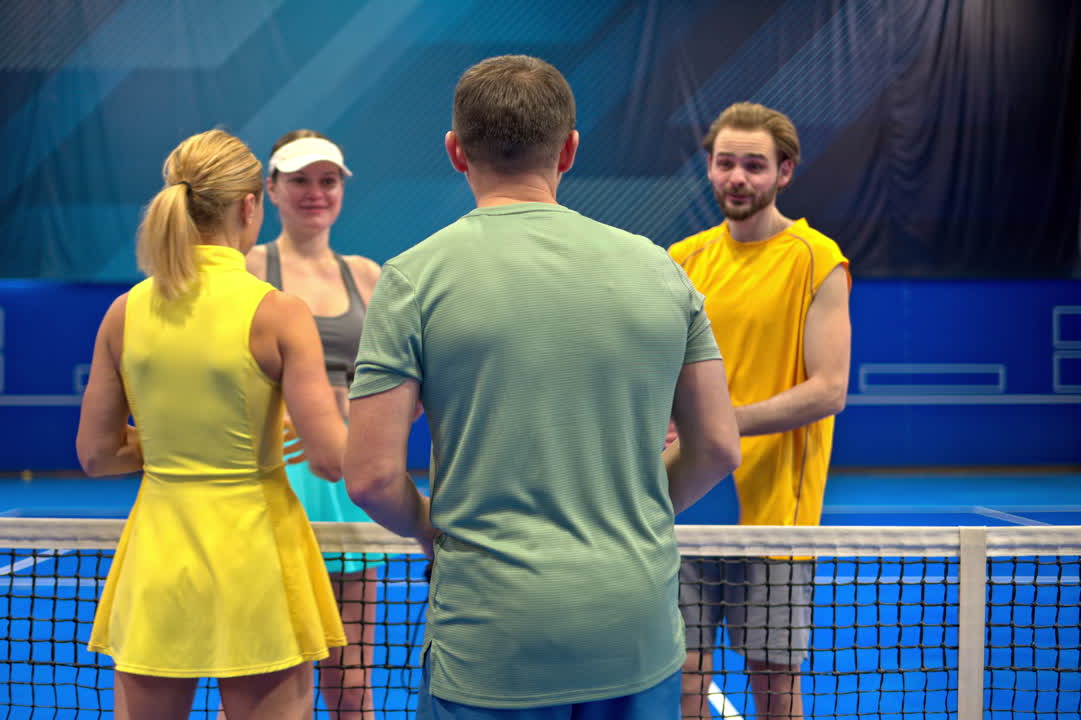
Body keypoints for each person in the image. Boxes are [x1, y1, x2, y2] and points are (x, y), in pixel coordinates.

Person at [342, 55, 741, 719]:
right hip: (636, 631)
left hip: (490, 643)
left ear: (455, 152)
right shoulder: (662, 271)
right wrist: (631, 510)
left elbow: (371, 478)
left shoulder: (413, 279)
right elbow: (719, 448)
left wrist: (430, 532)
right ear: (570, 149)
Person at [77, 128, 348, 720]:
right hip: (258, 558)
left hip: (158, 555)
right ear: (251, 205)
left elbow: (96, 455)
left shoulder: (124, 311)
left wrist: (172, 446)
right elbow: (331, 457)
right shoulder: (279, 313)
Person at [667, 102, 852, 720]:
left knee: (774, 685)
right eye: (725, 163)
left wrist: (718, 423)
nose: (737, 178)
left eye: (753, 165)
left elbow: (828, 390)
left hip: (775, 520)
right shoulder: (682, 261)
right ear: (710, 168)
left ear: (785, 172)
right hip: (684, 504)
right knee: (684, 677)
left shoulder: (816, 259)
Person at [240, 130, 383, 720]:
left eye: (327, 181)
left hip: (347, 493)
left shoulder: (367, 276)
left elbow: (403, 386)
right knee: (265, 687)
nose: (314, 193)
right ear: (270, 190)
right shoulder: (248, 268)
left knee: (350, 687)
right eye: (298, 180)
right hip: (269, 491)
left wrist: (351, 416)